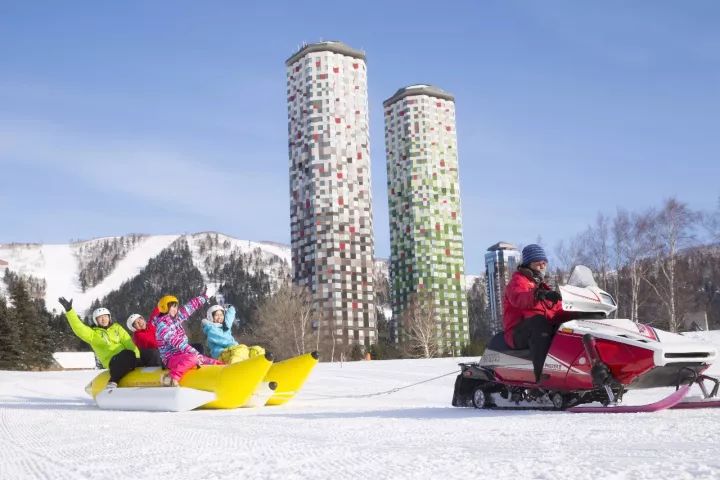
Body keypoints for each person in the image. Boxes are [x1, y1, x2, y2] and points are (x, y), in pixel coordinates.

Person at [502, 244, 563, 383]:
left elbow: (556, 310)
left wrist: (574, 310)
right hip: (516, 332)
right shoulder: (518, 281)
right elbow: (520, 298)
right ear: (528, 265)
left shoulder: (541, 286)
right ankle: (541, 378)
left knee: (566, 327)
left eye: (544, 263)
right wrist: (537, 294)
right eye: (538, 264)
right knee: (539, 322)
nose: (542, 267)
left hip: (536, 327)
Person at [58, 297, 140, 391]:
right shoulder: (93, 334)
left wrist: (137, 356)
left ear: (109, 317)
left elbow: (128, 342)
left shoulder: (117, 328)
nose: (103, 319)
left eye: (105, 316)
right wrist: (70, 311)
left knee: (149, 353)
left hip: (129, 358)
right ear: (95, 320)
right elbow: (79, 328)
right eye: (100, 317)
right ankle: (113, 381)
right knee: (126, 354)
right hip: (113, 361)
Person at [154, 290, 223, 387]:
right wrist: (193, 351)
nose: (175, 309)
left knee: (210, 361)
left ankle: (225, 370)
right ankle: (172, 378)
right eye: (172, 307)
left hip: (183, 355)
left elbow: (189, 307)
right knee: (194, 358)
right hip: (170, 358)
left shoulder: (176, 318)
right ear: (164, 308)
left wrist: (204, 297)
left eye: (176, 306)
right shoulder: (162, 326)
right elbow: (176, 341)